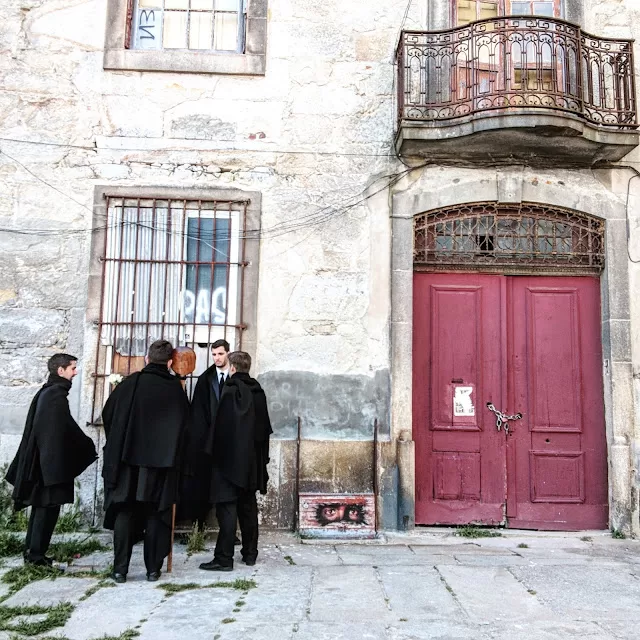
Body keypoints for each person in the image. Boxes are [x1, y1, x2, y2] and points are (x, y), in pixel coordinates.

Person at [101, 340, 189, 583]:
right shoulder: (175, 390)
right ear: (170, 363)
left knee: (125, 512)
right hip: (160, 465)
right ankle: (153, 569)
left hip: (127, 462)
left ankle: (120, 570)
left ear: (146, 359)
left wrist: (122, 442)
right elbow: (185, 428)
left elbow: (108, 415)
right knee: (155, 513)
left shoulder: (129, 384)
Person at [6, 354, 97, 566]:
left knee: (42, 510)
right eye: (72, 368)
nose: (75, 372)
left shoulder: (49, 393)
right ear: (61, 371)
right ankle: (36, 556)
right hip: (48, 467)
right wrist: (85, 445)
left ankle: (33, 553)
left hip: (45, 464)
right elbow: (57, 432)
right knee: (46, 511)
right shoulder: (55, 395)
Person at [200, 351, 272, 572]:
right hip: (252, 462)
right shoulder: (258, 391)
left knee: (227, 508)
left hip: (228, 462)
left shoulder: (229, 390)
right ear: (247, 367)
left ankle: (224, 558)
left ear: (232, 367)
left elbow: (220, 429)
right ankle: (250, 554)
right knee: (248, 507)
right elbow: (264, 430)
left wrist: (212, 455)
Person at [179, 339, 231, 530]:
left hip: (229, 442)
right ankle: (198, 524)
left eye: (220, 354)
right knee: (204, 484)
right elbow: (198, 413)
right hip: (207, 442)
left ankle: (227, 530)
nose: (217, 358)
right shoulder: (205, 379)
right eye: (214, 354)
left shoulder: (235, 378)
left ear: (228, 353)